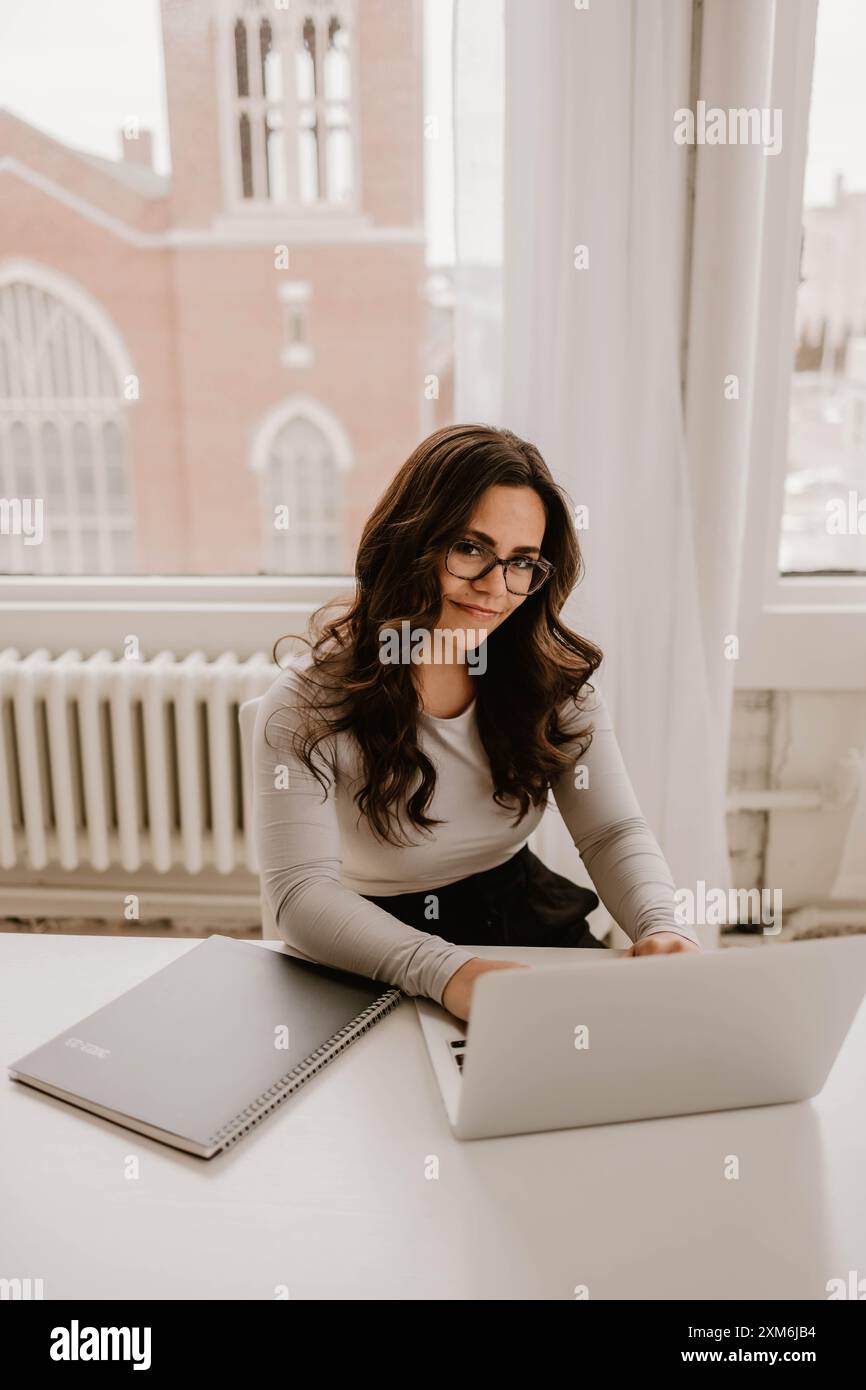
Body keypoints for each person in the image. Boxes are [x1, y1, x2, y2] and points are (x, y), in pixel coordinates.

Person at [253, 423, 700, 1022]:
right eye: (470, 549)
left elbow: (610, 831)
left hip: (519, 911)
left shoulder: (553, 685)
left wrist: (660, 925)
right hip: (365, 937)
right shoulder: (306, 705)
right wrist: (448, 972)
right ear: (410, 541)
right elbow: (301, 893)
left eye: (522, 563)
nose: (496, 587)